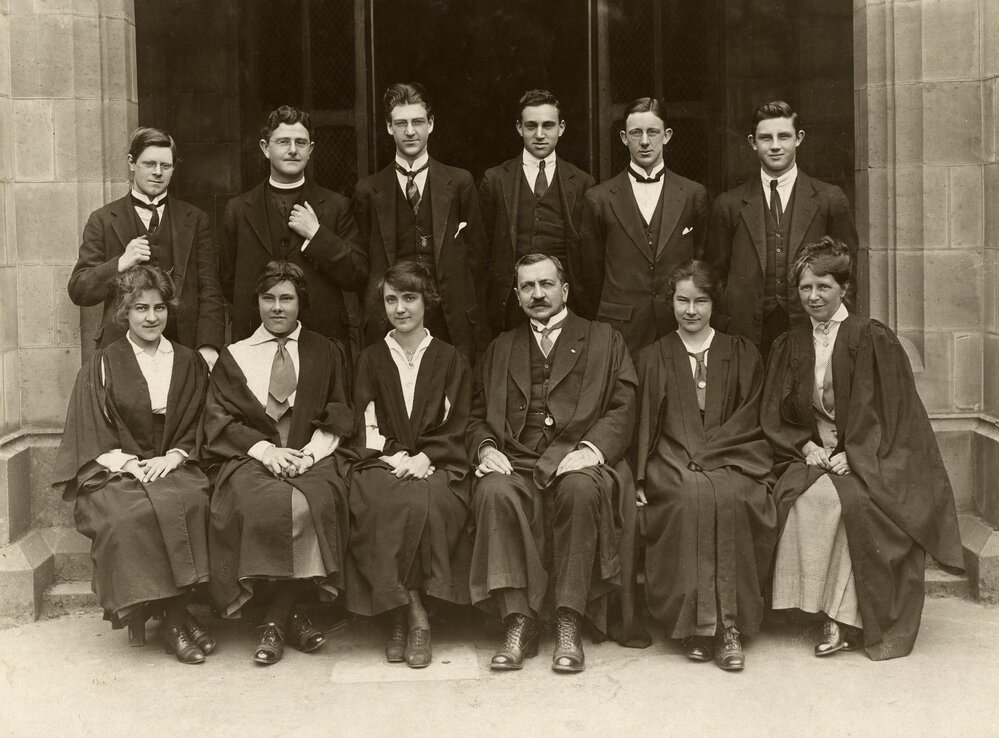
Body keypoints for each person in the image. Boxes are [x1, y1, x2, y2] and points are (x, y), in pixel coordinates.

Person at [762, 237, 963, 660]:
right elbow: (774, 413)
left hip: (872, 458)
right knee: (803, 499)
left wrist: (856, 453)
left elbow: (896, 413)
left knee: (848, 505)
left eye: (823, 287)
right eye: (805, 288)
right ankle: (814, 607)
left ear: (843, 289)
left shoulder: (870, 337)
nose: (813, 297)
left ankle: (842, 617)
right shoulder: (792, 343)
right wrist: (804, 445)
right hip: (815, 455)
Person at [469, 253, 639, 674]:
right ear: (517, 294)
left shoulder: (604, 339)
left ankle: (568, 621)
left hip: (577, 455)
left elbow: (623, 405)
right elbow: (475, 413)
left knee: (581, 490)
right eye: (527, 286)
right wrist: (487, 448)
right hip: (517, 457)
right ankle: (518, 620)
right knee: (493, 490)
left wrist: (592, 450)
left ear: (564, 290)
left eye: (546, 284)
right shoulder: (501, 347)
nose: (537, 294)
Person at [53, 265, 215, 664]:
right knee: (128, 515)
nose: (151, 317)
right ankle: (175, 621)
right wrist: (129, 463)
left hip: (175, 461)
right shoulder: (103, 363)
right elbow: (89, 430)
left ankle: (173, 615)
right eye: (140, 307)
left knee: (195, 501)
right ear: (124, 311)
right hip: (116, 469)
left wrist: (175, 455)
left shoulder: (188, 360)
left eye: (159, 307)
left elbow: (201, 420)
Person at [202, 260, 354, 665]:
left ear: (300, 301)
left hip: (311, 457)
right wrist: (268, 452)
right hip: (250, 458)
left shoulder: (326, 350)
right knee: (258, 505)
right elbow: (220, 420)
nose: (277, 307)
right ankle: (290, 614)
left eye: (286, 298)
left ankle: (275, 619)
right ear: (257, 302)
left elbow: (340, 411)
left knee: (310, 503)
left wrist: (308, 454)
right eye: (268, 298)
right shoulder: (235, 356)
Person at [632, 260, 776, 672]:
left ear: (715, 302)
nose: (691, 310)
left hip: (732, 455)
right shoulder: (653, 356)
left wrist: (715, 454)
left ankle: (728, 627)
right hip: (672, 458)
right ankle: (694, 627)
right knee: (688, 496)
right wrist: (642, 475)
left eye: (701, 300)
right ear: (670, 302)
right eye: (682, 300)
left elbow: (752, 418)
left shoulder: (741, 352)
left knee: (730, 496)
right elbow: (645, 425)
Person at [343, 261, 474, 669]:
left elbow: (461, 421)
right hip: (382, 460)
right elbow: (364, 422)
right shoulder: (370, 358)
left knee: (425, 503)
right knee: (383, 502)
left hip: (440, 462)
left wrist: (427, 456)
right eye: (391, 299)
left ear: (427, 301)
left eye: (409, 298)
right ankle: (412, 614)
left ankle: (403, 614)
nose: (400, 308)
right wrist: (399, 455)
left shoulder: (451, 358)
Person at [705, 100, 859, 359]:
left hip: (810, 327)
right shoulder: (729, 204)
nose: (775, 146)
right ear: (753, 142)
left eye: (783, 136)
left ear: (798, 138)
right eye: (766, 138)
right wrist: (730, 320)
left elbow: (848, 272)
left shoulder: (828, 199)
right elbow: (715, 274)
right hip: (747, 334)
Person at [353, 82, 490, 364]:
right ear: (389, 127)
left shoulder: (459, 183)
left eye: (417, 122)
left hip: (449, 320)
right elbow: (363, 261)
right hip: (392, 319)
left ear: (431, 124)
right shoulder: (368, 190)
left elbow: (477, 256)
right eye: (401, 123)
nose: (410, 131)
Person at [68, 127, 225, 365]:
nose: (158, 173)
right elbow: (79, 289)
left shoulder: (195, 219)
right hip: (121, 350)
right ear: (132, 163)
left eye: (166, 166)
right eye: (150, 164)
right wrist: (119, 264)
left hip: (184, 348)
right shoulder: (102, 219)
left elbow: (210, 290)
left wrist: (208, 345)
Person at [221, 105, 367, 352]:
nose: (292, 150)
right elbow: (227, 279)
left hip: (320, 341)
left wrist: (317, 235)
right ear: (265, 148)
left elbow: (358, 274)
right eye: (283, 142)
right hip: (255, 340)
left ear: (310, 150)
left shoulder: (336, 206)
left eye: (300, 143)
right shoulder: (237, 209)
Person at [578, 97, 707, 355]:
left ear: (667, 135)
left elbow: (702, 259)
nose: (645, 142)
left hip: (676, 325)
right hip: (621, 329)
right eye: (636, 133)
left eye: (653, 132)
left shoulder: (694, 194)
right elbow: (590, 274)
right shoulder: (599, 198)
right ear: (624, 138)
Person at [478, 89, 595, 332]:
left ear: (561, 128)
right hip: (511, 305)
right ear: (519, 128)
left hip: (566, 304)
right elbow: (482, 251)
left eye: (548, 125)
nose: (540, 135)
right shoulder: (495, 179)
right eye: (531, 126)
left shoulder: (583, 183)